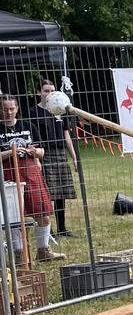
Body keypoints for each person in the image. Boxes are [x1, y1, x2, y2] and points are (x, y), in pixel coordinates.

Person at [0, 95, 65, 264]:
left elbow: (42, 151)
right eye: (5, 109)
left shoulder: (28, 126)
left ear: (17, 109)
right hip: (8, 174)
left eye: (11, 109)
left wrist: (34, 152)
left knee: (42, 213)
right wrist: (13, 151)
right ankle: (19, 255)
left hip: (30, 172)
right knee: (14, 217)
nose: (8, 112)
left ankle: (43, 250)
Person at [28, 80, 78, 237]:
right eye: (45, 90)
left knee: (61, 192)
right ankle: (47, 230)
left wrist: (74, 157)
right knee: (46, 192)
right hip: (44, 153)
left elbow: (66, 134)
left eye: (52, 90)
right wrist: (36, 157)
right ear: (38, 93)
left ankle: (62, 228)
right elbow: (32, 137)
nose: (49, 93)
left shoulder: (59, 110)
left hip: (60, 153)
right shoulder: (33, 112)